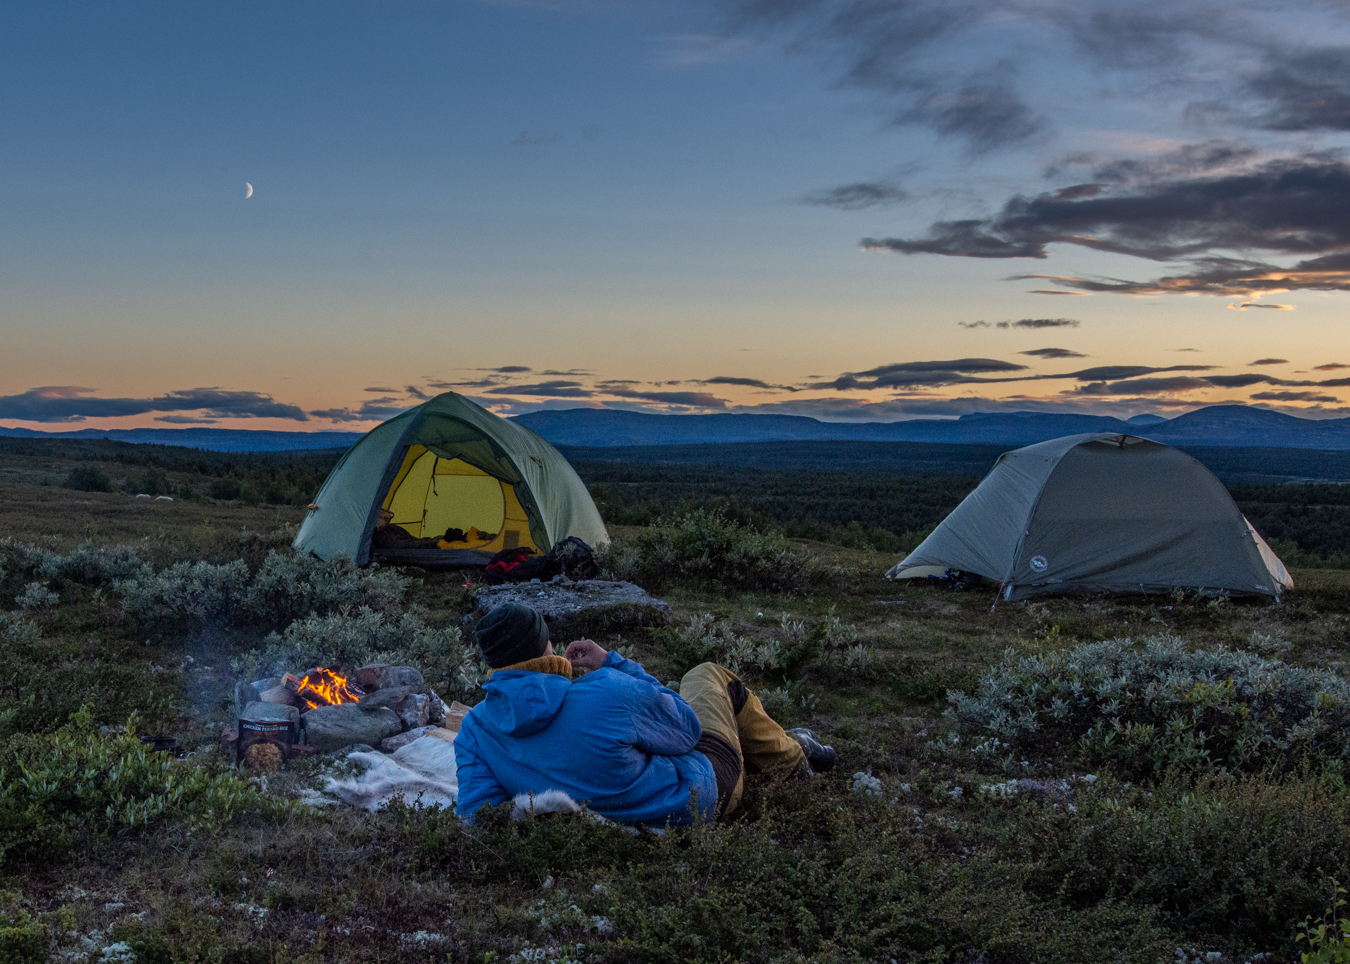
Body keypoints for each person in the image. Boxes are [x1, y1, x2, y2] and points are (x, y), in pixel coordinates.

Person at [453, 602, 835, 826]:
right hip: (694, 803)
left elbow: (480, 814)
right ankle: (794, 759)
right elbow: (687, 728)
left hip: (613, 828)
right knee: (706, 676)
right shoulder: (604, 688)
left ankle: (788, 743)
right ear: (545, 647)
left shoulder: (474, 730)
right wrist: (613, 663)